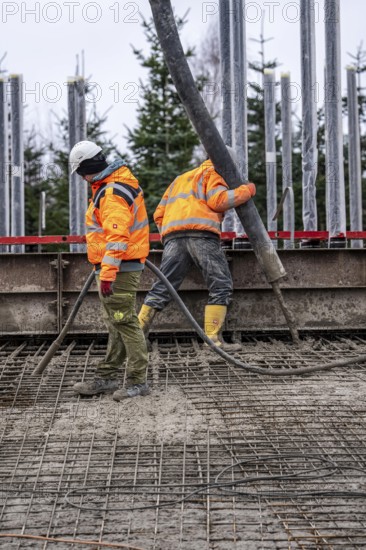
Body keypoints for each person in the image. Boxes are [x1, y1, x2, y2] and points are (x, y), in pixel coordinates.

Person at [138, 149, 256, 349]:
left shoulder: (180, 179)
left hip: (173, 237)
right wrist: (248, 190)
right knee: (220, 284)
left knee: (164, 285)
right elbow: (218, 201)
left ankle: (138, 338)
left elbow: (159, 213)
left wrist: (170, 232)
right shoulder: (213, 173)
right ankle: (213, 340)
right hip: (202, 235)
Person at [69, 140, 150, 401]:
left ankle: (138, 382)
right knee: (116, 322)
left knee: (124, 321)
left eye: (81, 173)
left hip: (119, 269)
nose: (82, 179)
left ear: (87, 169)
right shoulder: (109, 187)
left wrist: (107, 275)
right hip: (117, 266)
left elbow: (117, 238)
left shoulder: (112, 192)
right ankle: (107, 376)